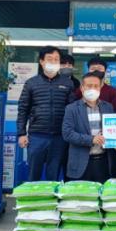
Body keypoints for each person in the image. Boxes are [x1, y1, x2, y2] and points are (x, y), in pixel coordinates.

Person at [17, 46, 75, 181]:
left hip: (59, 137)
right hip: (37, 136)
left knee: (53, 175)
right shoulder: (31, 83)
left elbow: (72, 110)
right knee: (33, 174)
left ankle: (51, 195)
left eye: (56, 59)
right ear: (42, 61)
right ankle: (32, 195)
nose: (53, 62)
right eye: (49, 59)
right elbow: (23, 109)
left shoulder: (68, 83)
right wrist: (21, 133)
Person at [62, 72, 114, 182]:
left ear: (100, 88)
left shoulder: (108, 107)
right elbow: (67, 134)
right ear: (82, 88)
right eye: (89, 86)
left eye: (96, 86)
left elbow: (114, 131)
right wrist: (91, 139)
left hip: (103, 162)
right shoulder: (71, 108)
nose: (93, 89)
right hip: (80, 163)